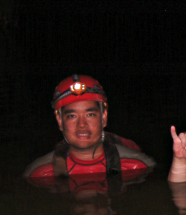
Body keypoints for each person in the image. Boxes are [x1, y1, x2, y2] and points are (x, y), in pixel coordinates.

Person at [24, 74, 155, 190]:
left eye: (90, 114)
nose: (82, 125)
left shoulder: (138, 165)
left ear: (104, 117)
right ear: (59, 121)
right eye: (72, 116)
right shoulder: (39, 174)